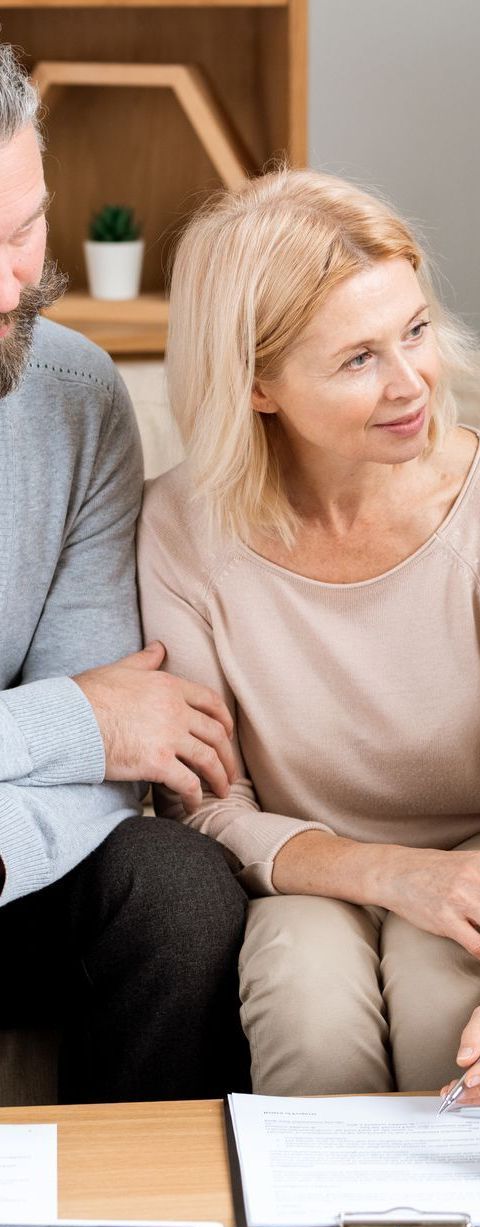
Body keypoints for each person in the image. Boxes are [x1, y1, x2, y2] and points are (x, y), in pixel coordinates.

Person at [136, 168, 480, 1099]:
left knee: (442, 1005)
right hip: (309, 866)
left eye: (414, 331)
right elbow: (210, 808)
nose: (413, 383)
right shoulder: (179, 530)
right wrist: (390, 875)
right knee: (304, 1003)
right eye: (358, 359)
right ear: (258, 385)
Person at [0, 41, 250, 1102]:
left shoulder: (74, 392)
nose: (14, 280)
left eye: (22, 227)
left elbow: (120, 745)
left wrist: (85, 732)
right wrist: (72, 719)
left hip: (18, 856)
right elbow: (93, 719)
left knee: (178, 887)